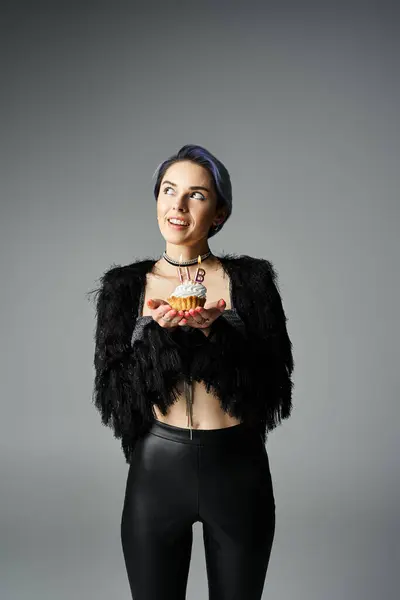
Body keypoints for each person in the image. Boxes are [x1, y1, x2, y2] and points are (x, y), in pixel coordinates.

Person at [90, 144, 294, 599]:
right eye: (168, 191)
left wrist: (215, 335)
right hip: (157, 471)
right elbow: (113, 398)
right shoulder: (124, 287)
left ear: (219, 213)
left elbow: (272, 390)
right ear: (158, 200)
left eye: (196, 195)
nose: (178, 207)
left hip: (237, 469)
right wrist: (158, 338)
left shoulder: (251, 281)